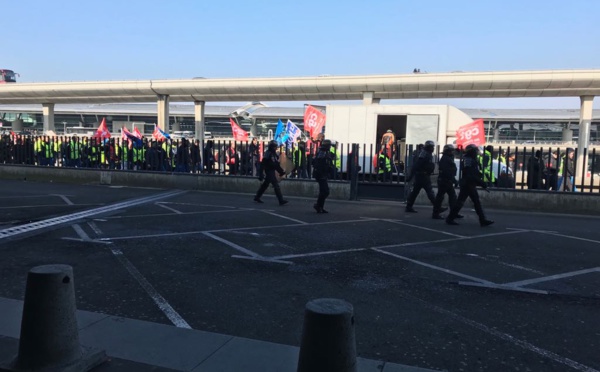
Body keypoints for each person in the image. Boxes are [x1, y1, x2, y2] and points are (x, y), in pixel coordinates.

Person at [446, 144, 494, 227]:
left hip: (470, 184)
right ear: (472, 151)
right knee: (462, 202)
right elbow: (470, 174)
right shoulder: (468, 160)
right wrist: (481, 183)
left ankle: (482, 220)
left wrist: (480, 180)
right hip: (467, 184)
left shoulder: (471, 159)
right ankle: (450, 218)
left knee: (475, 202)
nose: (476, 152)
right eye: (475, 150)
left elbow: (474, 172)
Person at [405, 140, 439, 213]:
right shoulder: (424, 154)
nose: (433, 148)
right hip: (422, 176)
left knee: (415, 192)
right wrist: (411, 176)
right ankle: (437, 207)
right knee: (430, 192)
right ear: (428, 147)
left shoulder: (428, 154)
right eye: (431, 147)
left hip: (423, 175)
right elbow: (416, 165)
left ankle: (409, 206)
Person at [254, 140, 288, 205]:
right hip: (268, 170)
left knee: (265, 185)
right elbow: (263, 163)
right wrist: (261, 173)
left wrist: (281, 171)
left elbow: (276, 164)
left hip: (272, 170)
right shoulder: (268, 153)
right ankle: (281, 200)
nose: (276, 148)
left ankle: (257, 197)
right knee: (275, 185)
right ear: (271, 147)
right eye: (274, 147)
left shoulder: (274, 154)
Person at [432, 144, 460, 220]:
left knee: (452, 197)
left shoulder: (448, 158)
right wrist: (453, 180)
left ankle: (454, 213)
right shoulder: (445, 159)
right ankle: (436, 213)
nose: (452, 152)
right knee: (440, 197)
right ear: (448, 151)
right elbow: (447, 172)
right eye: (451, 151)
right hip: (444, 181)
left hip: (447, 180)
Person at [311, 139, 336, 213]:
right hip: (321, 175)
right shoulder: (322, 153)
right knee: (325, 191)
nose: (330, 147)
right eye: (329, 145)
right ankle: (318, 206)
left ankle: (320, 206)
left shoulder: (324, 152)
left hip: (322, 174)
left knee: (324, 191)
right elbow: (320, 164)